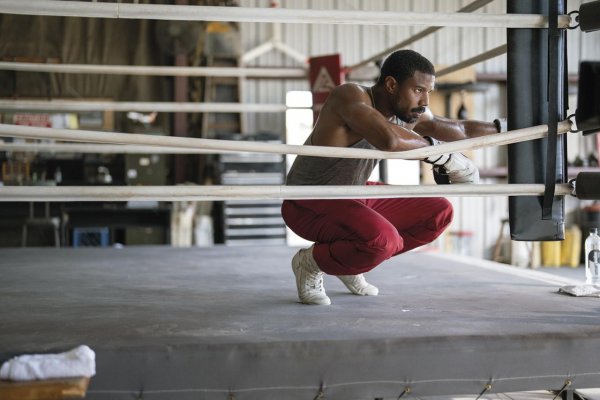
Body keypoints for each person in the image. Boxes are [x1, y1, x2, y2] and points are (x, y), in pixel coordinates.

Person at [281, 49, 502, 306]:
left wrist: (507, 127)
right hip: (309, 201)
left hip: (355, 194)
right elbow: (389, 139)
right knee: (383, 241)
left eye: (429, 91)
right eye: (419, 90)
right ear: (391, 84)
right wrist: (443, 157)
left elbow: (460, 128)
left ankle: (347, 261)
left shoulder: (407, 110)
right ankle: (310, 263)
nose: (425, 100)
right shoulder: (351, 96)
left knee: (438, 212)